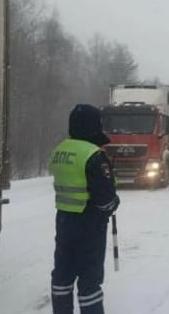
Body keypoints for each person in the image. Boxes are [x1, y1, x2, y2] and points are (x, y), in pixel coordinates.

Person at [49, 104, 120, 314]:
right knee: (89, 279)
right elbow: (105, 200)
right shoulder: (94, 155)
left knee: (62, 274)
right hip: (89, 225)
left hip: (64, 221)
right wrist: (114, 203)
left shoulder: (59, 150)